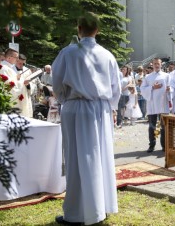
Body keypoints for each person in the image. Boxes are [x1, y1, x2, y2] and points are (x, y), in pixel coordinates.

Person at [52, 12, 121, 225]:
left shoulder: (68, 52)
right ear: (97, 30)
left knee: (75, 159)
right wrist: (109, 107)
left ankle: (76, 213)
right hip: (100, 110)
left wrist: (66, 99)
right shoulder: (107, 55)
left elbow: (57, 81)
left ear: (78, 29)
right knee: (100, 156)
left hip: (76, 107)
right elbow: (116, 88)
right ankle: (101, 207)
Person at [141, 58, 172, 152]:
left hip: (163, 104)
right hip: (152, 105)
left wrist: (169, 90)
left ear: (161, 64)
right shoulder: (148, 77)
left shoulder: (166, 76)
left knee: (164, 126)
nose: (156, 65)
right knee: (152, 126)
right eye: (155, 64)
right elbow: (142, 88)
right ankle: (152, 145)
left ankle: (164, 145)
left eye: (158, 63)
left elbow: (171, 87)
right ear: (152, 65)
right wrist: (152, 87)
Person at [0, 49, 29, 114]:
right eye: (16, 57)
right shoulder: (4, 68)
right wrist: (18, 79)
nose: (17, 59)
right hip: (10, 99)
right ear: (9, 57)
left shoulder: (9, 68)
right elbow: (7, 84)